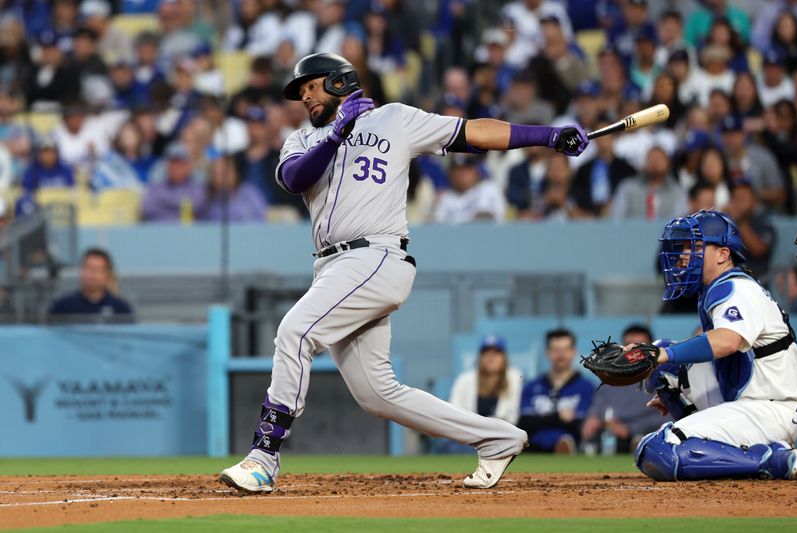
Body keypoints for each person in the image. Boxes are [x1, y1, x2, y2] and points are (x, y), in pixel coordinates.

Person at [220, 52, 589, 493]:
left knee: (296, 332)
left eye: (312, 87)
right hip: (332, 267)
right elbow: (295, 179)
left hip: (375, 255)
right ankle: (498, 439)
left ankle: (263, 456)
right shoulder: (302, 138)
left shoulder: (395, 119)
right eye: (301, 93)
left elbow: (472, 132)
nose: (305, 98)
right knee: (377, 394)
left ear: (339, 83)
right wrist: (337, 134)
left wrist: (548, 136)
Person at [633, 210, 797, 481]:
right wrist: (674, 383)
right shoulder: (719, 289)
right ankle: (699, 436)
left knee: (657, 452)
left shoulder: (736, 288)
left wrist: (664, 355)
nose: (683, 255)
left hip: (772, 408)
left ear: (722, 254)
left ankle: (772, 459)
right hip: (751, 398)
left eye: (694, 246)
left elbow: (728, 342)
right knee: (664, 369)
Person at [581, 324, 664, 453]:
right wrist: (593, 417)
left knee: (644, 438)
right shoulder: (611, 378)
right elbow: (598, 404)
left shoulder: (661, 378)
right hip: (610, 433)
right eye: (628, 346)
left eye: (638, 347)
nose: (632, 351)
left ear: (651, 349)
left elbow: (666, 416)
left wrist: (631, 428)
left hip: (641, 433)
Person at [517, 328, 594, 454]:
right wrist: (558, 417)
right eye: (555, 350)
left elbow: (582, 426)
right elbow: (524, 424)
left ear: (574, 352)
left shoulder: (586, 387)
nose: (560, 354)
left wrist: (543, 419)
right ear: (547, 353)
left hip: (574, 453)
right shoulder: (532, 386)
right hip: (534, 451)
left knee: (567, 440)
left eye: (565, 349)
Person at [449, 335, 523, 425]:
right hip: (468, 434)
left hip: (502, 435)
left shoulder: (514, 378)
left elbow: (512, 418)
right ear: (480, 358)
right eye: (486, 353)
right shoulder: (464, 379)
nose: (491, 357)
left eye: (496, 353)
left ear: (504, 358)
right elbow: (454, 413)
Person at [49, 248, 134, 322]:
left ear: (106, 274)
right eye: (88, 268)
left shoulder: (121, 309)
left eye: (97, 270)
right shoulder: (63, 306)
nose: (92, 275)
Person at [433, 154, 506, 223]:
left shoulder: (488, 189)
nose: (461, 174)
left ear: (476, 171)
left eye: (466, 169)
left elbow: (486, 218)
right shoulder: (446, 197)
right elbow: (437, 224)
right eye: (457, 170)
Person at [141, 144, 205, 222]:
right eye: (172, 163)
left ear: (188, 167)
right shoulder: (156, 187)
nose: (175, 168)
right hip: (161, 231)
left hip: (189, 233)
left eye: (180, 164)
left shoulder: (197, 187)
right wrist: (181, 208)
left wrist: (164, 203)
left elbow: (199, 207)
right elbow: (147, 208)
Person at [196, 155, 266, 223]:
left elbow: (262, 220)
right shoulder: (207, 198)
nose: (219, 178)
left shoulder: (249, 193)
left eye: (223, 173)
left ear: (233, 173)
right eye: (215, 173)